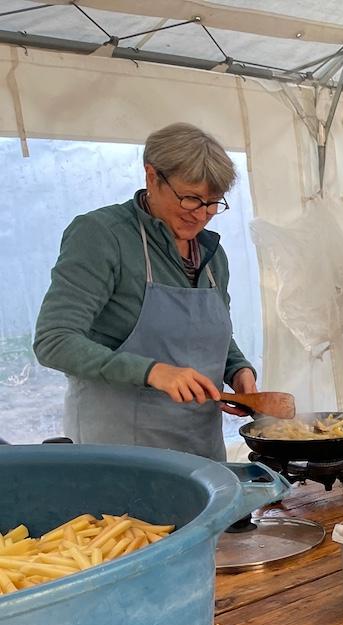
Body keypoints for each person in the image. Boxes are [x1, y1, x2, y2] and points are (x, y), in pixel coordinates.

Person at [33, 123, 256, 460]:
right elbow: (54, 341)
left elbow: (209, 334)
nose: (201, 215)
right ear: (152, 177)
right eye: (190, 198)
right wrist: (152, 371)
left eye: (212, 203)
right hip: (121, 451)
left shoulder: (212, 255)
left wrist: (238, 370)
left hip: (200, 449)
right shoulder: (102, 236)